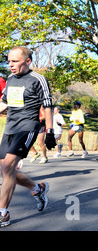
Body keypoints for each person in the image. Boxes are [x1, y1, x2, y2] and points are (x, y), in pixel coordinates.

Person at [0, 46, 56, 227]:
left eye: (14, 61)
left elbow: (47, 106)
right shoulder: (10, 79)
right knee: (5, 170)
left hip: (28, 127)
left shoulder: (38, 79)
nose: (10, 65)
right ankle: (37, 188)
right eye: (9, 61)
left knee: (8, 166)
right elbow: (4, 102)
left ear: (28, 61)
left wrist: (50, 132)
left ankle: (3, 214)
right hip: (10, 128)